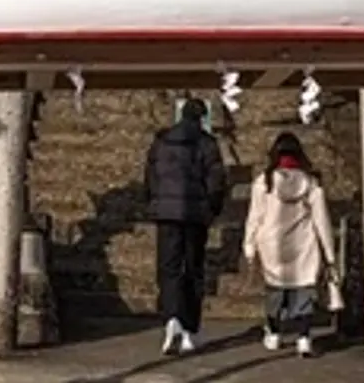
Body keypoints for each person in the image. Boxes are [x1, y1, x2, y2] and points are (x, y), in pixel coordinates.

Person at [242, 132, 337, 358]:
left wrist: (249, 245)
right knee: (303, 292)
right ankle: (304, 338)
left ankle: (274, 333)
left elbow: (255, 216)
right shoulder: (311, 183)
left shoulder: (264, 182)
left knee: (276, 292)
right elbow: (321, 220)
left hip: (273, 245)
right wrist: (329, 254)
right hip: (303, 244)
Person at [143, 97, 227, 355]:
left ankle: (171, 317)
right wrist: (212, 208)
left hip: (166, 213)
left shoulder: (162, 141)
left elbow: (150, 175)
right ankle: (190, 328)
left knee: (168, 268)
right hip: (194, 213)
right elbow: (215, 180)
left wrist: (154, 201)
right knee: (193, 269)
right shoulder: (207, 144)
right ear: (202, 117)